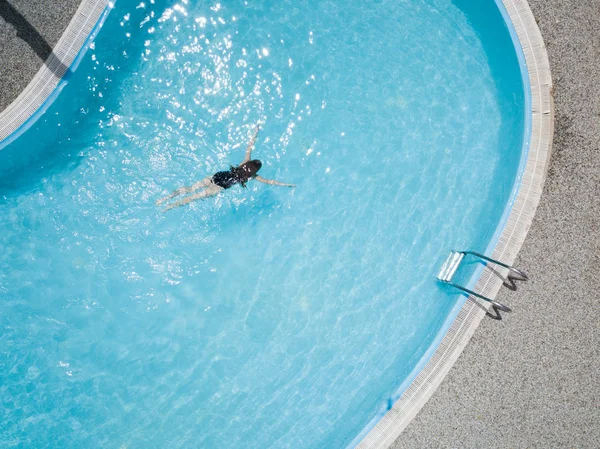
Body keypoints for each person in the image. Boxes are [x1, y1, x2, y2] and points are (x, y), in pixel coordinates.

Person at [157, 126, 295, 211]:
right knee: (194, 197)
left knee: (190, 188)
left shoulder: (244, 161)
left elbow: (249, 146)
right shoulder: (254, 177)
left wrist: (256, 132)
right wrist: (287, 185)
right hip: (220, 186)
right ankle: (169, 207)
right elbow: (271, 182)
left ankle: (166, 198)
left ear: (250, 162)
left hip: (217, 176)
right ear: (255, 171)